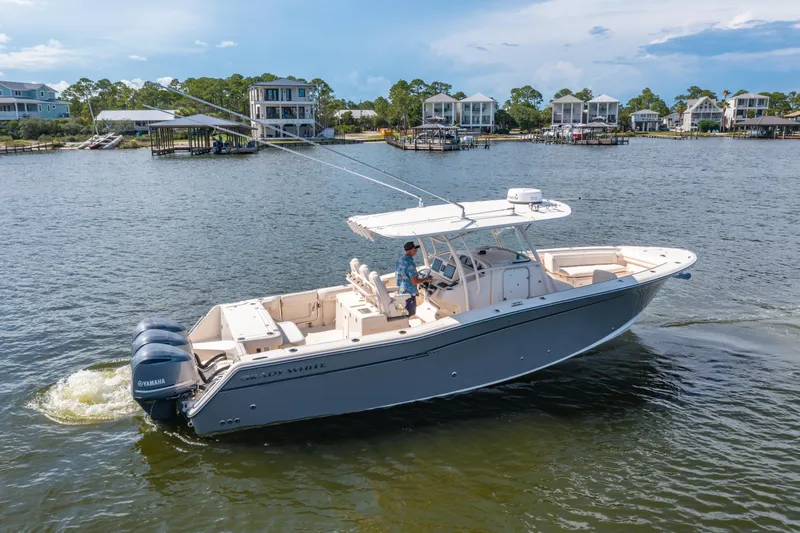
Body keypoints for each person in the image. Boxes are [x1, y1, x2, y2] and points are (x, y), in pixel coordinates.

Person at [395, 241, 431, 317]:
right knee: (410, 313)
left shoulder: (400, 260)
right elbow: (415, 282)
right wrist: (426, 279)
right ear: (409, 250)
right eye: (414, 249)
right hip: (409, 293)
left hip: (401, 290)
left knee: (404, 311)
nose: (416, 250)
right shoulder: (410, 263)